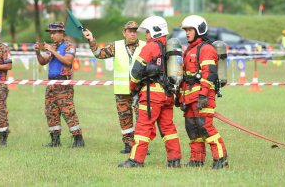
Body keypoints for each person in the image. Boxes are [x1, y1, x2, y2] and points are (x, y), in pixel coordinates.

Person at [118, 16, 182, 168]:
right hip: (167, 94)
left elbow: (136, 72)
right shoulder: (170, 47)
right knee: (168, 127)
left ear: (155, 31)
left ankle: (135, 160)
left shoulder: (151, 47)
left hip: (151, 95)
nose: (145, 35)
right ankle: (174, 160)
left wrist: (132, 87)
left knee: (143, 126)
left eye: (147, 32)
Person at [83, 21, 146, 153]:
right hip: (122, 90)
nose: (133, 33)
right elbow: (99, 54)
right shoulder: (116, 46)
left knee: (142, 119)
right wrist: (91, 40)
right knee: (124, 118)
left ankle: (141, 146)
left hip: (141, 90)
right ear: (124, 33)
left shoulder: (145, 46)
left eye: (135, 30)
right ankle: (128, 145)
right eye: (130, 31)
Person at [177, 15, 228, 169]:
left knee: (205, 127)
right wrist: (181, 98)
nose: (187, 33)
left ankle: (220, 159)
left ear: (199, 30)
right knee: (192, 129)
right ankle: (196, 160)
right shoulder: (189, 50)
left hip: (202, 97)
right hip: (189, 98)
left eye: (190, 29)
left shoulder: (206, 49)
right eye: (185, 30)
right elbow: (185, 77)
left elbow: (209, 74)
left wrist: (203, 95)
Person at [34, 22, 85, 148]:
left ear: (62, 33)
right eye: (50, 33)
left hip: (63, 83)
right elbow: (42, 62)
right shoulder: (54, 46)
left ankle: (78, 140)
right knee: (51, 112)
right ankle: (55, 140)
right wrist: (38, 53)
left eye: (54, 32)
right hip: (51, 83)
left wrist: (52, 51)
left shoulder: (69, 46)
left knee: (68, 112)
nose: (52, 35)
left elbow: (68, 61)